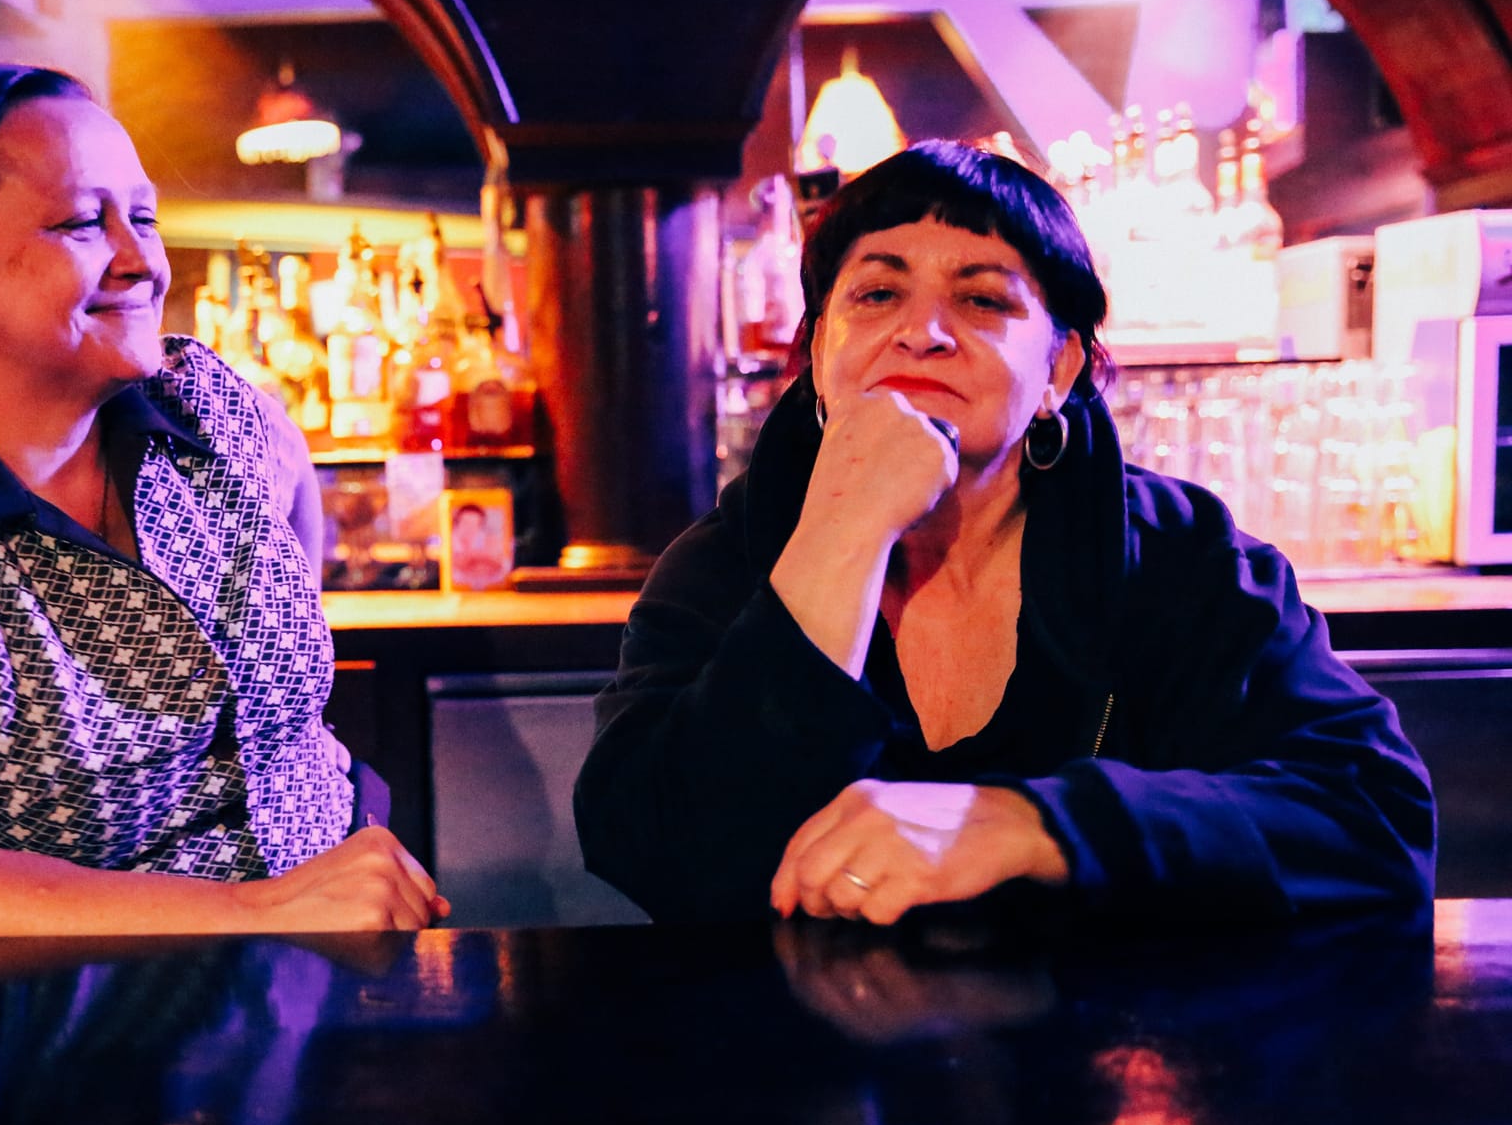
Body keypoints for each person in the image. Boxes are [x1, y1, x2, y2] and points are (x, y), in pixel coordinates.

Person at [574, 139, 1434, 926]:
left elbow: (1377, 817)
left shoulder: (1180, 556)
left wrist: (1040, 825)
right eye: (877, 294)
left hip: (1121, 1034)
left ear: (1060, 368)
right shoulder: (720, 564)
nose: (922, 333)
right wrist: (845, 532)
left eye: (982, 299)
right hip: (802, 1041)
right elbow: (651, 851)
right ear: (819, 354)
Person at [0, 64, 445, 942]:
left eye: (143, 217)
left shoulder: (213, 411)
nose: (143, 262)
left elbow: (296, 539)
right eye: (80, 224)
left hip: (355, 957)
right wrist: (246, 910)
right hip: (98, 1013)